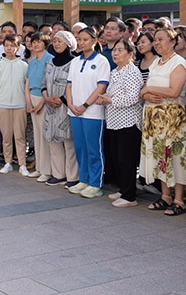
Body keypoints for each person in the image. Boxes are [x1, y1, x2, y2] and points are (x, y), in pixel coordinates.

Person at [140, 28, 186, 216]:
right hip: (154, 117)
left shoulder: (179, 62)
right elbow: (142, 91)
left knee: (175, 155)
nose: (157, 43)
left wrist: (150, 89)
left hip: (172, 117)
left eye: (161, 39)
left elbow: (174, 91)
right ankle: (165, 195)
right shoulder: (156, 63)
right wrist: (147, 92)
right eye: (155, 40)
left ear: (173, 41)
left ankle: (179, 199)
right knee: (160, 155)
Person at [96, 39, 143, 207]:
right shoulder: (115, 71)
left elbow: (133, 97)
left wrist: (110, 100)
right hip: (114, 121)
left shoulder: (132, 71)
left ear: (130, 54)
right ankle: (124, 189)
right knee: (117, 158)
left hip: (128, 122)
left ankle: (130, 196)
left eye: (120, 50)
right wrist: (105, 100)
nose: (115, 53)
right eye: (114, 50)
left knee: (127, 160)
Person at [65, 27, 110, 198]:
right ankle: (83, 179)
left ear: (94, 41)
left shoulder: (101, 61)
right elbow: (69, 85)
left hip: (93, 113)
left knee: (94, 149)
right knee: (80, 147)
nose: (81, 42)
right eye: (79, 39)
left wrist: (85, 105)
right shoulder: (75, 62)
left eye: (85, 39)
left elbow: (101, 86)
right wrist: (70, 104)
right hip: (74, 112)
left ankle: (95, 183)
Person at [42, 31, 79, 187]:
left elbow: (76, 86)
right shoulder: (50, 62)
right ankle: (58, 174)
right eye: (55, 41)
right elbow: (43, 83)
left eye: (60, 41)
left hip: (66, 107)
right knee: (53, 142)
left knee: (69, 143)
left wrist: (63, 99)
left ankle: (72, 177)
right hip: (50, 107)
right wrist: (47, 98)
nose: (56, 44)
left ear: (69, 43)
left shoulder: (75, 62)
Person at [0, 36, 27, 174]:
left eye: (12, 45)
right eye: (7, 45)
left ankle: (22, 164)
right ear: (3, 47)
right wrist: (0, 98)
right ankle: (7, 162)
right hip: (3, 105)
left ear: (17, 48)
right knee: (6, 136)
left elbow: (26, 85)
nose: (9, 48)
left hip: (20, 105)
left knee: (19, 136)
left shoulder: (23, 65)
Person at [24, 32, 54, 181]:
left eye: (39, 42)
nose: (35, 44)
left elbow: (49, 83)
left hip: (44, 100)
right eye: (33, 42)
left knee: (44, 136)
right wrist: (28, 102)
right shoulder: (32, 61)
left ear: (45, 44)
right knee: (36, 136)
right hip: (32, 98)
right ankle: (39, 168)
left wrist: (42, 102)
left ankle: (47, 170)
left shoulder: (50, 60)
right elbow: (27, 82)